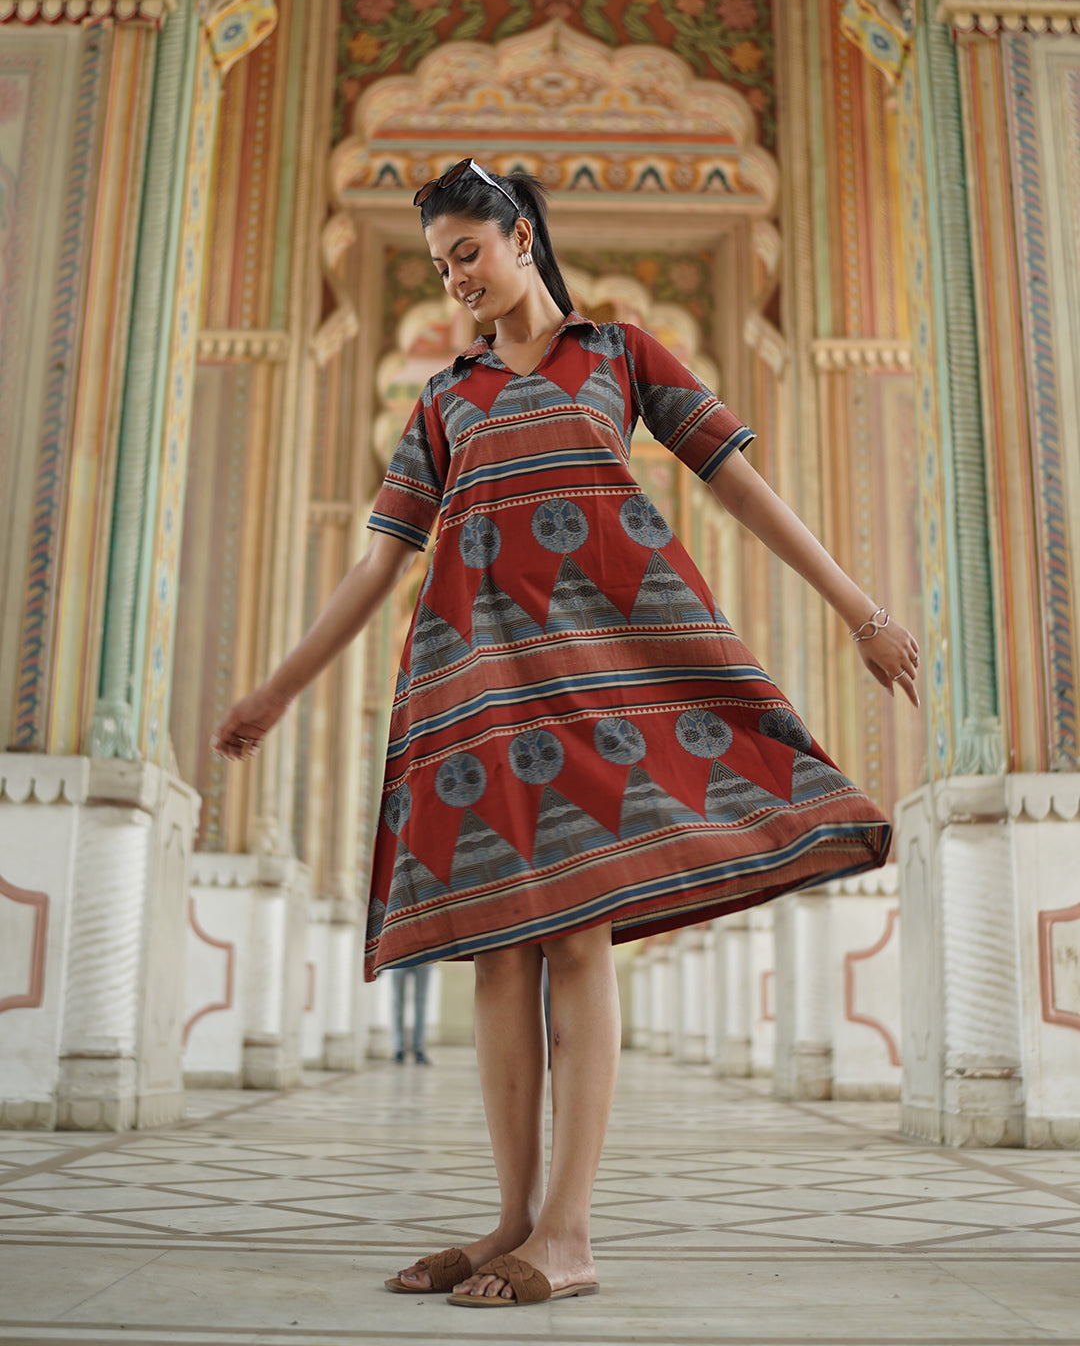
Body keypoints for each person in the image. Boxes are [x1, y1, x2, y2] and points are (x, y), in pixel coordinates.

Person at [213, 159, 919, 1309]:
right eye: (442, 265)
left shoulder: (621, 355)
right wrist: (281, 690)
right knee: (502, 947)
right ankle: (510, 1222)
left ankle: (572, 1233)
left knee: (578, 938)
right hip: (474, 690)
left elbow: (742, 489)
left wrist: (861, 613)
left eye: (469, 252)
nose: (457, 280)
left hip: (603, 679)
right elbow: (378, 562)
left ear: (521, 237)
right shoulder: (443, 399)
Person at [389, 961, 432, 1064]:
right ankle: (398, 1049)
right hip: (398, 953)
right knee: (397, 1003)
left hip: (425, 954)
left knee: (420, 1003)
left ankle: (419, 1049)